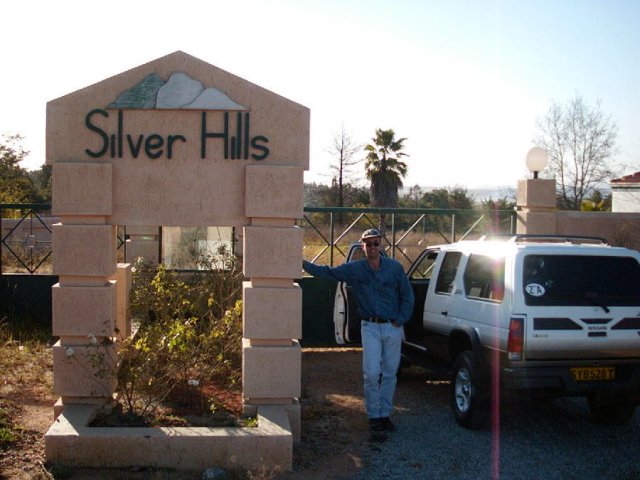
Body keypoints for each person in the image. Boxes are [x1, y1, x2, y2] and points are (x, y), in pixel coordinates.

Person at [303, 228, 414, 442]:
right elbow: (328, 272)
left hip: (392, 326)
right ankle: (374, 417)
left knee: (390, 373)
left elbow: (407, 295)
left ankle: (385, 414)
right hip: (370, 327)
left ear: (381, 245)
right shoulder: (356, 269)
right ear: (362, 246)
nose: (372, 247)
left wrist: (400, 320)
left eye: (375, 243)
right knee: (372, 373)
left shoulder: (395, 268)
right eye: (368, 243)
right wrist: (302, 263)